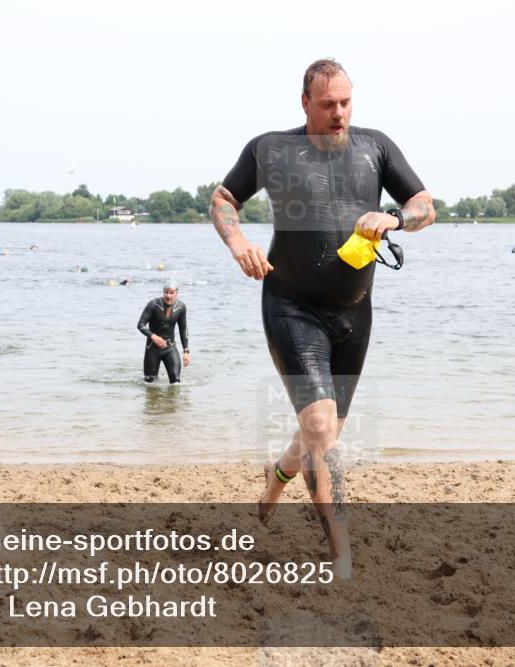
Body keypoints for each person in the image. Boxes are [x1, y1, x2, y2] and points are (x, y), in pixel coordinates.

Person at [209, 59, 435, 577]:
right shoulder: (272, 149)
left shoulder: (375, 147)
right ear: (305, 102)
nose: (339, 113)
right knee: (319, 427)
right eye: (328, 103)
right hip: (291, 304)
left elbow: (425, 204)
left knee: (324, 429)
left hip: (355, 314)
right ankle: (342, 557)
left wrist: (395, 217)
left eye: (346, 102)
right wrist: (238, 240)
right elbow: (224, 198)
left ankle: (279, 475)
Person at [137, 280, 190, 383]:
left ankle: (172, 400)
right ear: (163, 292)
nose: (168, 296)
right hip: (152, 349)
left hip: (170, 348)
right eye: (166, 292)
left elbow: (183, 329)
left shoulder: (181, 307)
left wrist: (186, 351)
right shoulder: (153, 305)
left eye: (171, 293)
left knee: (176, 381)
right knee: (150, 383)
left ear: (176, 293)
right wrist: (153, 336)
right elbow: (140, 324)